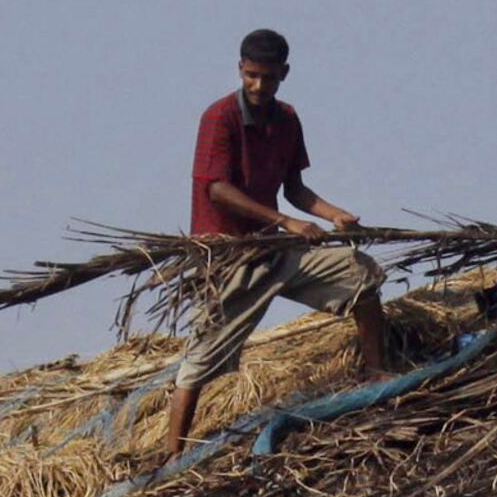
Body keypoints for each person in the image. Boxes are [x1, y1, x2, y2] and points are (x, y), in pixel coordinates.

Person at [160, 28, 390, 449]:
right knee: (204, 353)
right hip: (229, 255)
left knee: (360, 271)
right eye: (251, 76)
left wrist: (335, 214)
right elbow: (217, 189)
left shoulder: (287, 119)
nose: (259, 85)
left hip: (276, 249)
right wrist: (285, 221)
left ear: (284, 73)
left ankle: (375, 370)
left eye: (268, 77)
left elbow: (295, 188)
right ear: (239, 69)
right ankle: (173, 450)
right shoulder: (220, 117)